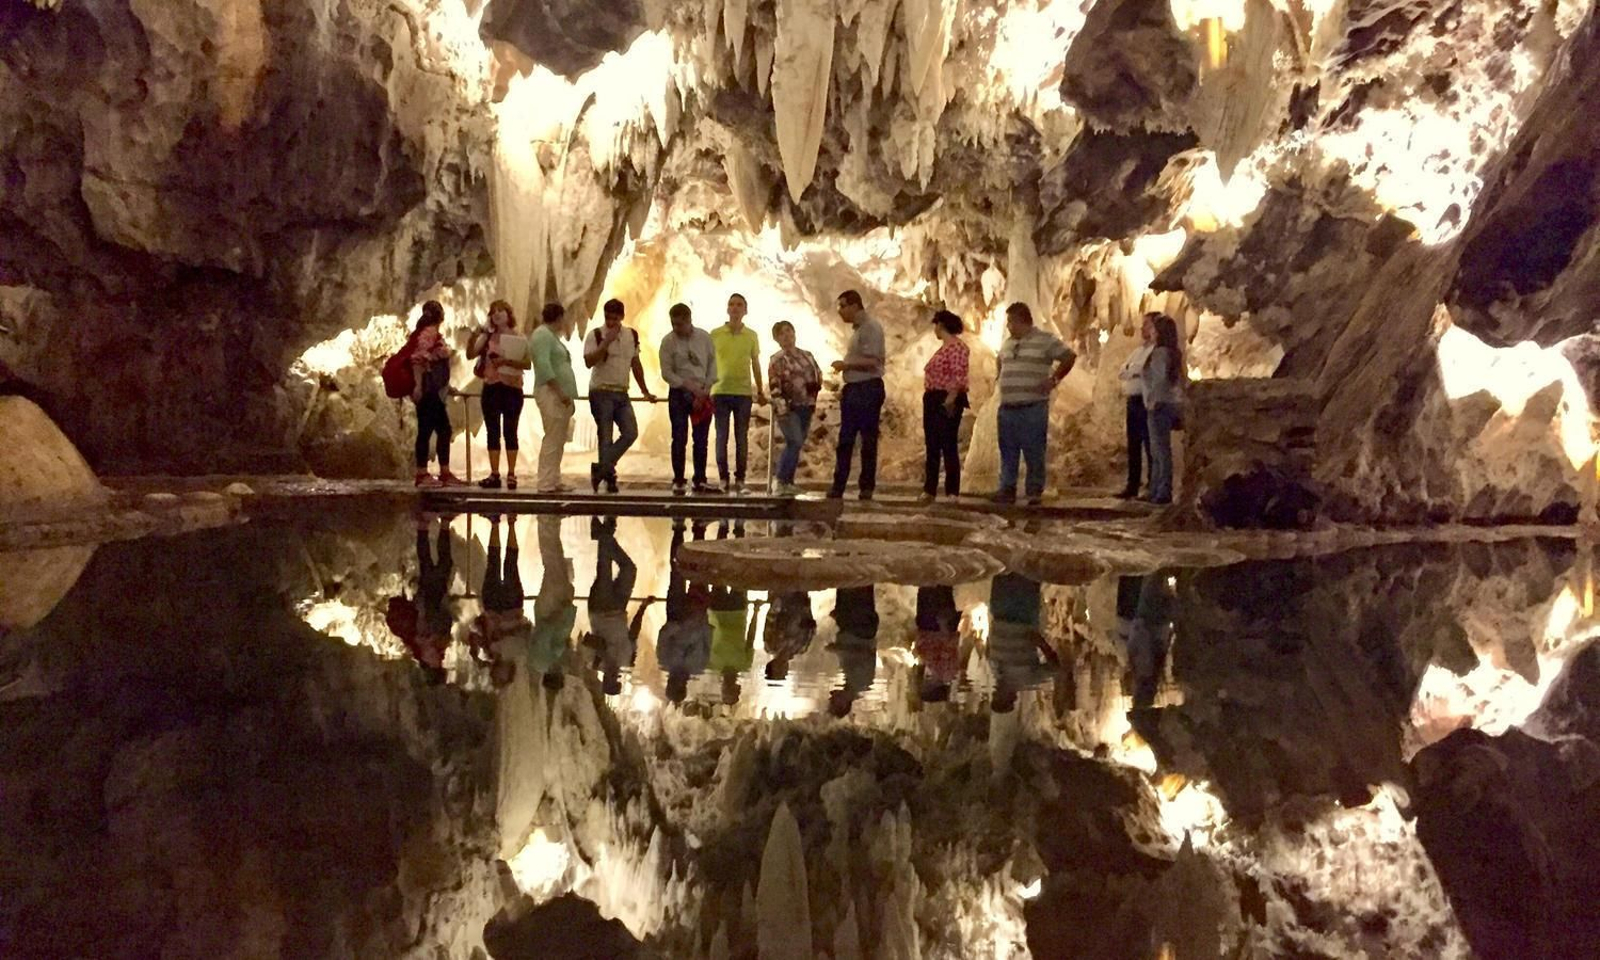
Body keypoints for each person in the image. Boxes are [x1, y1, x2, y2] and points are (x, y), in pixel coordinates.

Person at [994, 302, 1076, 505]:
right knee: (1008, 451)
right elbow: (1000, 360)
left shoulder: (1045, 340)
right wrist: (1001, 377)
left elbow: (1068, 356)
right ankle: (1007, 489)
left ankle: (1033, 492)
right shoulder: (1008, 343)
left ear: (1022, 321)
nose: (1008, 326)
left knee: (1033, 451)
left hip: (1032, 406)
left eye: (1010, 322)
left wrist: (1054, 379)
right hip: (1008, 407)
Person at [584, 299, 656, 494]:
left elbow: (636, 364)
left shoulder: (631, 335)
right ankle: (609, 476)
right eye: (608, 318)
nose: (611, 322)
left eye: (615, 318)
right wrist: (606, 342)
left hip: (622, 392)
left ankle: (602, 468)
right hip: (601, 391)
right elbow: (589, 362)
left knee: (630, 432)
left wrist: (645, 391)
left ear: (622, 317)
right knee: (605, 436)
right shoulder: (596, 335)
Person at [828, 290, 887, 500]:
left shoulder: (870, 328)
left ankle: (864, 487)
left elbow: (874, 361)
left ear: (854, 305)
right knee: (846, 439)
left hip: (867, 388)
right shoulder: (859, 330)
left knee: (866, 440)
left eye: (842, 306)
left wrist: (846, 364)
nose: (840, 311)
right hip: (855, 388)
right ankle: (840, 486)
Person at [468, 300, 532, 490]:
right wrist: (474, 336)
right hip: (492, 387)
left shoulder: (519, 337)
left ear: (508, 314)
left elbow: (527, 364)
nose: (497, 314)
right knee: (493, 431)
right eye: (493, 312)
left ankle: (511, 473)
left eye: (501, 311)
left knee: (510, 431)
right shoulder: (487, 338)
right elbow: (471, 354)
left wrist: (507, 361)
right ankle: (495, 473)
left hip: (512, 388)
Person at [583, 518, 648, 696]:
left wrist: (603, 655)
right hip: (619, 607)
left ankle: (606, 532)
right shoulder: (627, 659)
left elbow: (586, 640)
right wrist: (643, 607)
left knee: (604, 567)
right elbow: (633, 633)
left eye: (610, 680)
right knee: (629, 569)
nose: (614, 677)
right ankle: (604, 534)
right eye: (616, 680)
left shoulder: (595, 663)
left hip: (600, 610)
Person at [659, 303, 719, 495]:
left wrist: (705, 389)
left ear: (689, 320)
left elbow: (712, 365)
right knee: (679, 437)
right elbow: (667, 372)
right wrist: (687, 385)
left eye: (679, 324)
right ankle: (678, 480)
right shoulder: (668, 342)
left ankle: (700, 479)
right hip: (679, 392)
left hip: (702, 391)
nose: (676, 328)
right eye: (673, 324)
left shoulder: (704, 337)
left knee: (701, 438)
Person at [710, 293, 767, 494]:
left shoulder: (751, 335)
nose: (735, 308)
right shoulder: (715, 334)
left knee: (741, 437)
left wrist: (760, 389)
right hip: (720, 391)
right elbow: (708, 362)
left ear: (745, 310)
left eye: (739, 305)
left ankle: (740, 479)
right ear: (727, 309)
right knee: (722, 436)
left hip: (743, 392)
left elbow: (756, 363)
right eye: (732, 304)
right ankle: (723, 479)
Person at [473, 515, 533, 687]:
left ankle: (494, 524)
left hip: (491, 606)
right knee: (510, 565)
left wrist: (477, 641)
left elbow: (476, 625)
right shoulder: (519, 653)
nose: (499, 673)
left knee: (492, 563)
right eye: (502, 677)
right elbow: (526, 630)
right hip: (511, 605)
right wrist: (506, 631)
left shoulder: (489, 651)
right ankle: (512, 524)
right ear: (509, 673)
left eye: (496, 676)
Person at [987, 571, 1058, 713]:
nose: (995, 692)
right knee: (1027, 574)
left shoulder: (995, 671)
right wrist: (1041, 643)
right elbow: (1054, 667)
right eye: (998, 696)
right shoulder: (1028, 679)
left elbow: (990, 649)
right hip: (1023, 616)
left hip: (1000, 612)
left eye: (994, 696)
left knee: (1003, 570)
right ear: (1011, 697)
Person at [659, 520, 712, 704]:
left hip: (676, 612)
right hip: (697, 614)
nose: (679, 682)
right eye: (680, 686)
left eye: (675, 685)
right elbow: (707, 640)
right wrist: (701, 620)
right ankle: (699, 532)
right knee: (699, 571)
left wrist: (679, 624)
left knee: (677, 571)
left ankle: (679, 531)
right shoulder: (699, 666)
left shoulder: (665, 660)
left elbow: (663, 636)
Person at [766, 320, 822, 496]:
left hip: (806, 404)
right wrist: (780, 406)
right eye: (782, 333)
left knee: (797, 443)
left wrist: (814, 391)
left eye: (789, 331)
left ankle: (789, 482)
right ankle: (781, 480)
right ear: (777, 338)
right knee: (794, 440)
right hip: (788, 407)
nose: (787, 335)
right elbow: (775, 384)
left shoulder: (807, 355)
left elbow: (817, 373)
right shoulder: (777, 360)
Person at [921, 309, 970, 503]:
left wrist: (950, 398)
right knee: (932, 444)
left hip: (946, 397)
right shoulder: (944, 348)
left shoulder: (957, 347)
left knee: (948, 443)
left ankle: (952, 491)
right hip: (933, 397)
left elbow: (959, 375)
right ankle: (930, 489)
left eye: (935, 325)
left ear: (940, 325)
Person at [410, 301, 460, 488]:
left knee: (442, 430)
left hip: (434, 390)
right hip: (428, 391)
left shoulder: (427, 333)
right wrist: (417, 386)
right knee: (429, 430)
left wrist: (447, 387)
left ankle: (443, 472)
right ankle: (423, 474)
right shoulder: (428, 334)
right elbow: (417, 360)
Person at [529, 303, 577, 493]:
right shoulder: (542, 335)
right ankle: (545, 482)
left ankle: (554, 479)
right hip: (551, 394)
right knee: (552, 437)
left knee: (558, 439)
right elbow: (544, 366)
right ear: (559, 317)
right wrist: (560, 392)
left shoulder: (550, 336)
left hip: (560, 395)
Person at [1143, 313, 1186, 505]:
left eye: (1153, 329)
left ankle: (1162, 491)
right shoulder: (1174, 352)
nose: (1150, 332)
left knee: (1159, 450)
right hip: (1171, 403)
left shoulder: (1160, 353)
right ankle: (1157, 489)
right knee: (1161, 450)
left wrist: (1152, 401)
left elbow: (1159, 379)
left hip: (1159, 404)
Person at [530, 514, 576, 691]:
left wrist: (562, 612)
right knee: (557, 563)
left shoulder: (542, 661)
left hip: (552, 607)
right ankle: (552, 524)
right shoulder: (548, 662)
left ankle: (546, 522)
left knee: (552, 563)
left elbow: (545, 631)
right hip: (558, 607)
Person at [1116, 318, 1157, 500]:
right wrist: (1133, 369)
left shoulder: (1156, 351)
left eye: (1147, 325)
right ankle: (1132, 484)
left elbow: (1143, 370)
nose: (1142, 328)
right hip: (1132, 401)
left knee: (1150, 444)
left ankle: (1153, 484)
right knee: (1133, 444)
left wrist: (1132, 369)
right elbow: (1121, 371)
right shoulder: (1138, 351)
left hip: (1146, 401)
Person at [827, 585, 879, 717]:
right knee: (856, 587)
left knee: (846, 585)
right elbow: (866, 653)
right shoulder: (862, 683)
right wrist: (839, 649)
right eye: (833, 702)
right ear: (843, 704)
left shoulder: (851, 681)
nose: (831, 698)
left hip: (852, 625)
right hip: (859, 625)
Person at [913, 585, 962, 704]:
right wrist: (944, 625)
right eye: (924, 689)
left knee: (928, 588)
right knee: (935, 589)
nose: (922, 685)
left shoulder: (933, 673)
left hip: (928, 627)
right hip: (935, 625)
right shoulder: (946, 672)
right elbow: (949, 647)